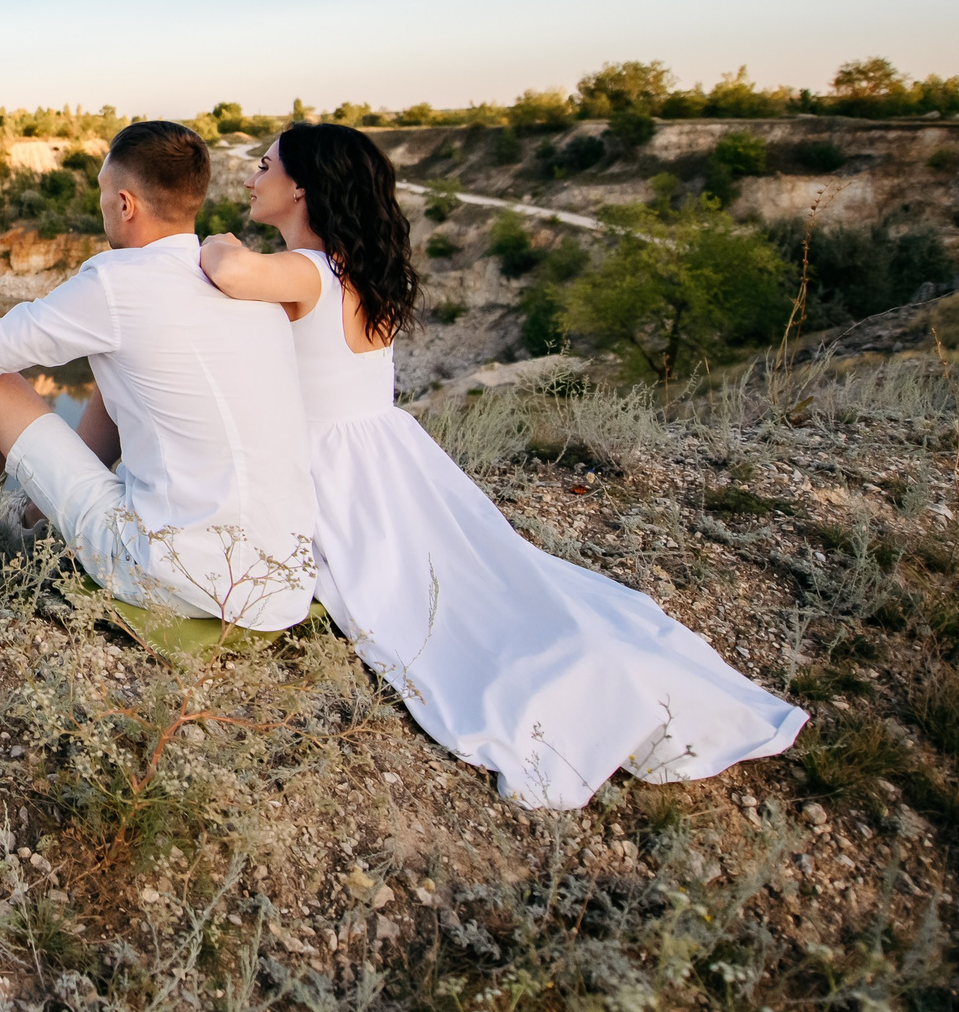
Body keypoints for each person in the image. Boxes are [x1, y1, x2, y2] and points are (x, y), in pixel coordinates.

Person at [199, 121, 804, 809]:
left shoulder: (306, 270)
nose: (251, 177)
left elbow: (227, 270)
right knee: (468, 583)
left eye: (264, 165)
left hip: (333, 464)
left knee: (425, 606)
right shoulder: (356, 267)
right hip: (387, 453)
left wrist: (216, 241)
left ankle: (580, 694)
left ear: (302, 187)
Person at [0, 120, 320, 632]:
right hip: (280, 583)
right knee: (133, 373)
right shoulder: (250, 284)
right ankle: (34, 518)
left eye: (104, 193)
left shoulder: (116, 281)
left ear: (125, 204)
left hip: (175, 576)